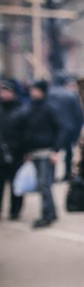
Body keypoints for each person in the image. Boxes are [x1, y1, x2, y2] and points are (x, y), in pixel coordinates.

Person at [23, 80, 68, 228]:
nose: (32, 93)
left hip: (46, 152)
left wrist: (55, 150)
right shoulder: (32, 107)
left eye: (35, 90)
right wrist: (27, 151)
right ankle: (50, 212)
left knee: (44, 184)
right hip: (35, 152)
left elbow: (62, 128)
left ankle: (47, 214)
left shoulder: (50, 107)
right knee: (42, 185)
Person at [0, 79, 26, 220]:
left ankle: (15, 211)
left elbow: (27, 133)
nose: (3, 93)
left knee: (16, 185)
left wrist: (26, 152)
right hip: (1, 154)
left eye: (6, 90)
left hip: (17, 153)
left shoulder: (22, 109)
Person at [49, 74, 83, 180]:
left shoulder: (49, 94)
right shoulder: (71, 95)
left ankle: (51, 175)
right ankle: (67, 172)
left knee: (52, 151)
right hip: (69, 126)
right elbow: (78, 113)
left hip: (53, 127)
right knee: (68, 151)